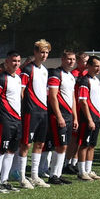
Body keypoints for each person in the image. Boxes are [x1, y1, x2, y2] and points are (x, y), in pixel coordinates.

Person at [0, 51, 24, 191]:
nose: (16, 63)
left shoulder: (18, 78)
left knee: (11, 151)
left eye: (18, 61)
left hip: (16, 120)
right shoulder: (1, 79)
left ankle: (4, 180)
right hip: (5, 120)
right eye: (14, 61)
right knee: (0, 151)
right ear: (7, 62)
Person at [43, 49, 78, 185]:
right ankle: (53, 175)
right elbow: (52, 96)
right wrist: (59, 116)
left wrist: (74, 117)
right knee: (60, 145)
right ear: (62, 60)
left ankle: (58, 173)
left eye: (73, 59)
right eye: (69, 59)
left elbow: (73, 99)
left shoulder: (70, 76)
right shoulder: (56, 74)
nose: (71, 62)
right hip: (59, 115)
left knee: (64, 145)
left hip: (68, 115)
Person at [20, 40, 53, 189]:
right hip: (30, 111)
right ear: (35, 52)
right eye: (42, 52)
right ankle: (21, 176)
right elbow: (21, 91)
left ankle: (34, 175)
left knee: (40, 143)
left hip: (43, 111)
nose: (44, 55)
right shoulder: (28, 70)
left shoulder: (45, 70)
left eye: (46, 53)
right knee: (26, 143)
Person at [74, 56, 100, 180]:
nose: (98, 69)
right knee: (84, 144)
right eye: (96, 66)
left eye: (99, 66)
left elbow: (99, 101)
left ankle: (89, 169)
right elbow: (83, 101)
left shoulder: (97, 81)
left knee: (92, 145)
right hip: (87, 118)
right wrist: (89, 119)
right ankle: (81, 172)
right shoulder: (84, 81)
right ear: (89, 66)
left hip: (97, 117)